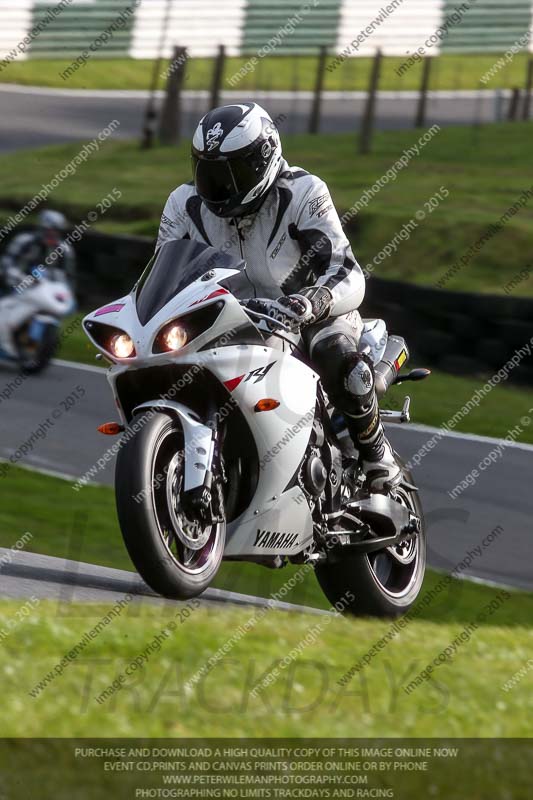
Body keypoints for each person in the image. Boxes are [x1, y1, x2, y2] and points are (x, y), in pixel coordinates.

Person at [157, 102, 401, 493]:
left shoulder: (303, 192)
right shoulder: (184, 205)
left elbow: (345, 269)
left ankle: (377, 455)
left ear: (264, 158)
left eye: (232, 171)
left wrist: (315, 301)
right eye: (209, 171)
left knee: (337, 355)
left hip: (309, 314)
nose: (219, 185)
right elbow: (162, 274)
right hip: (229, 321)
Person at [0, 209, 75, 294]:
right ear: (42, 228)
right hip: (17, 284)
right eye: (50, 230)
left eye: (56, 231)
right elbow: (6, 263)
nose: (53, 234)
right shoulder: (24, 240)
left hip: (47, 291)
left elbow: (68, 275)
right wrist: (23, 279)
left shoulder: (64, 249)